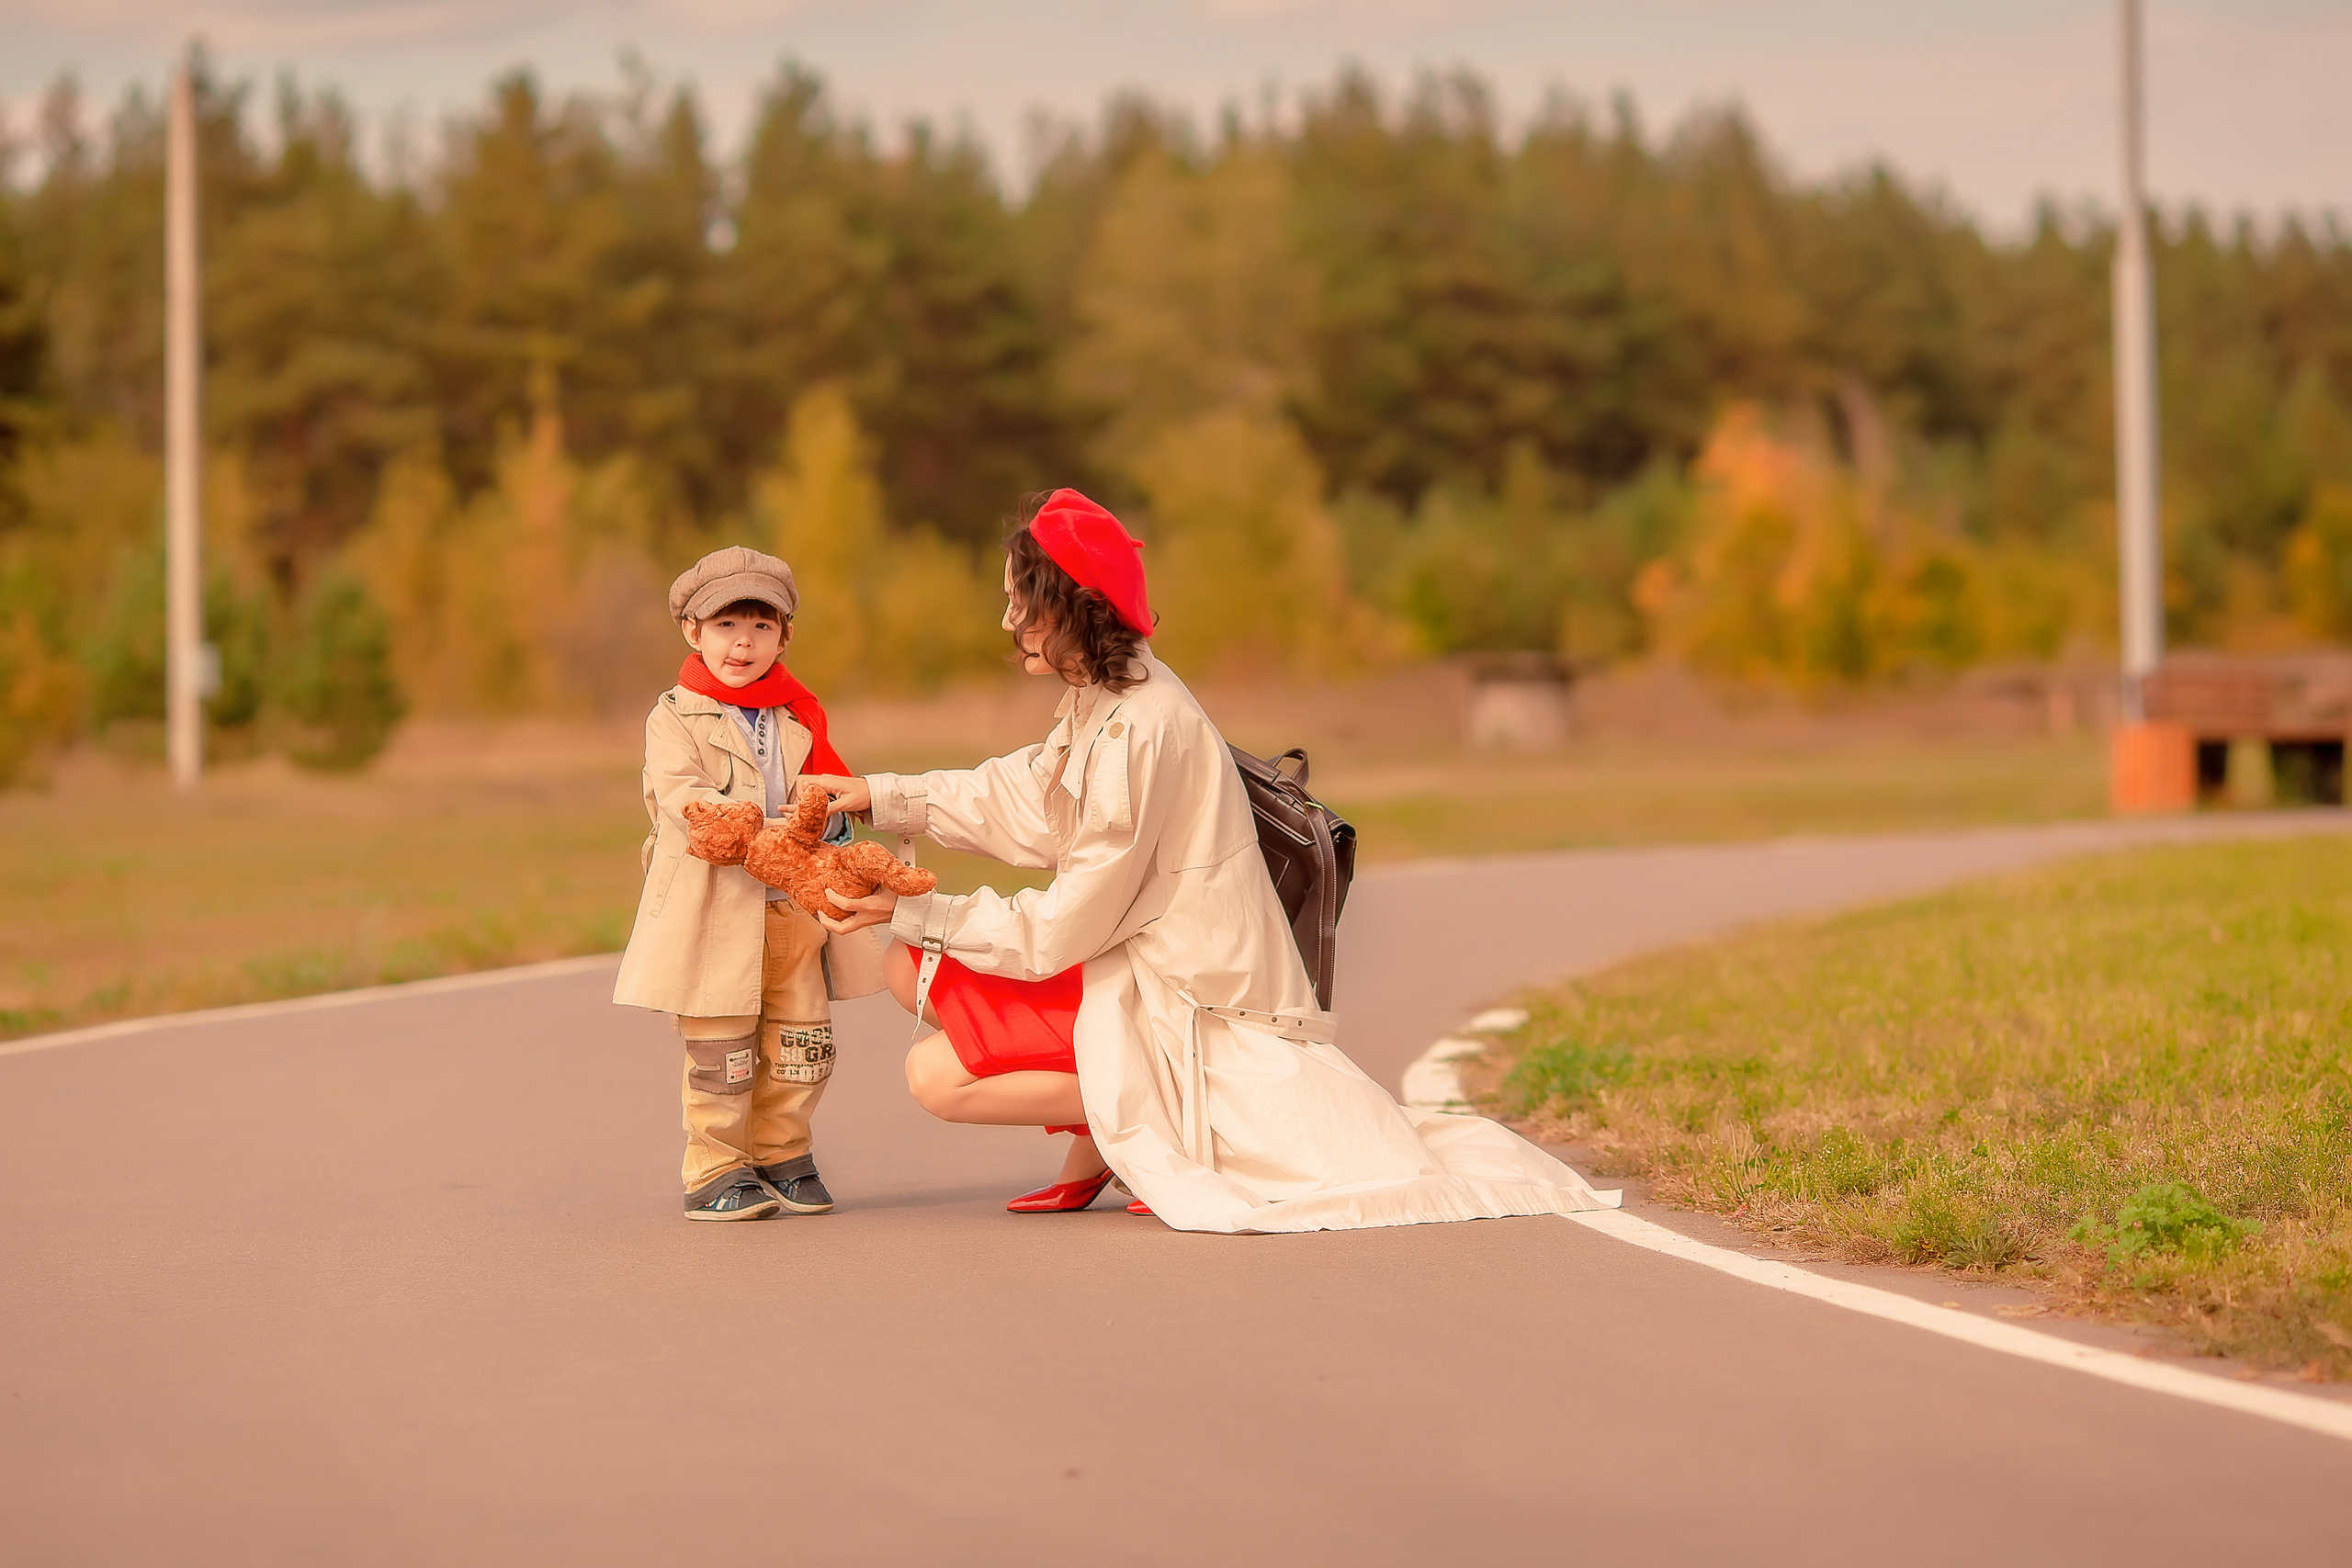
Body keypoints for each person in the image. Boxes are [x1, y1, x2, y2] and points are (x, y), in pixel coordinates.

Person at [811, 490, 1619, 1234]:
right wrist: (884, 795)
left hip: (1180, 999)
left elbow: (1063, 925)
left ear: (1075, 609)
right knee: (906, 963)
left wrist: (912, 906)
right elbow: (1028, 796)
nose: (1009, 621)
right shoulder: (1117, 693)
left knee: (934, 1075)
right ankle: (1116, 1119)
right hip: (1138, 965)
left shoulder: (1140, 730)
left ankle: (1135, 1119)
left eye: (1023, 601)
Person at [613, 546, 870, 1222]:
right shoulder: (676, 715)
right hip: (716, 907)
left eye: (761, 625)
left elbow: (823, 790)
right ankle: (717, 1165)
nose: (743, 641)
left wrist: (831, 822)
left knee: (802, 1040)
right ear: (693, 632)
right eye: (727, 625)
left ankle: (783, 1149)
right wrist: (749, 827)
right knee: (722, 1048)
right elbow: (681, 794)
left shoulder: (795, 716)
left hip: (791, 909)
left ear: (784, 636)